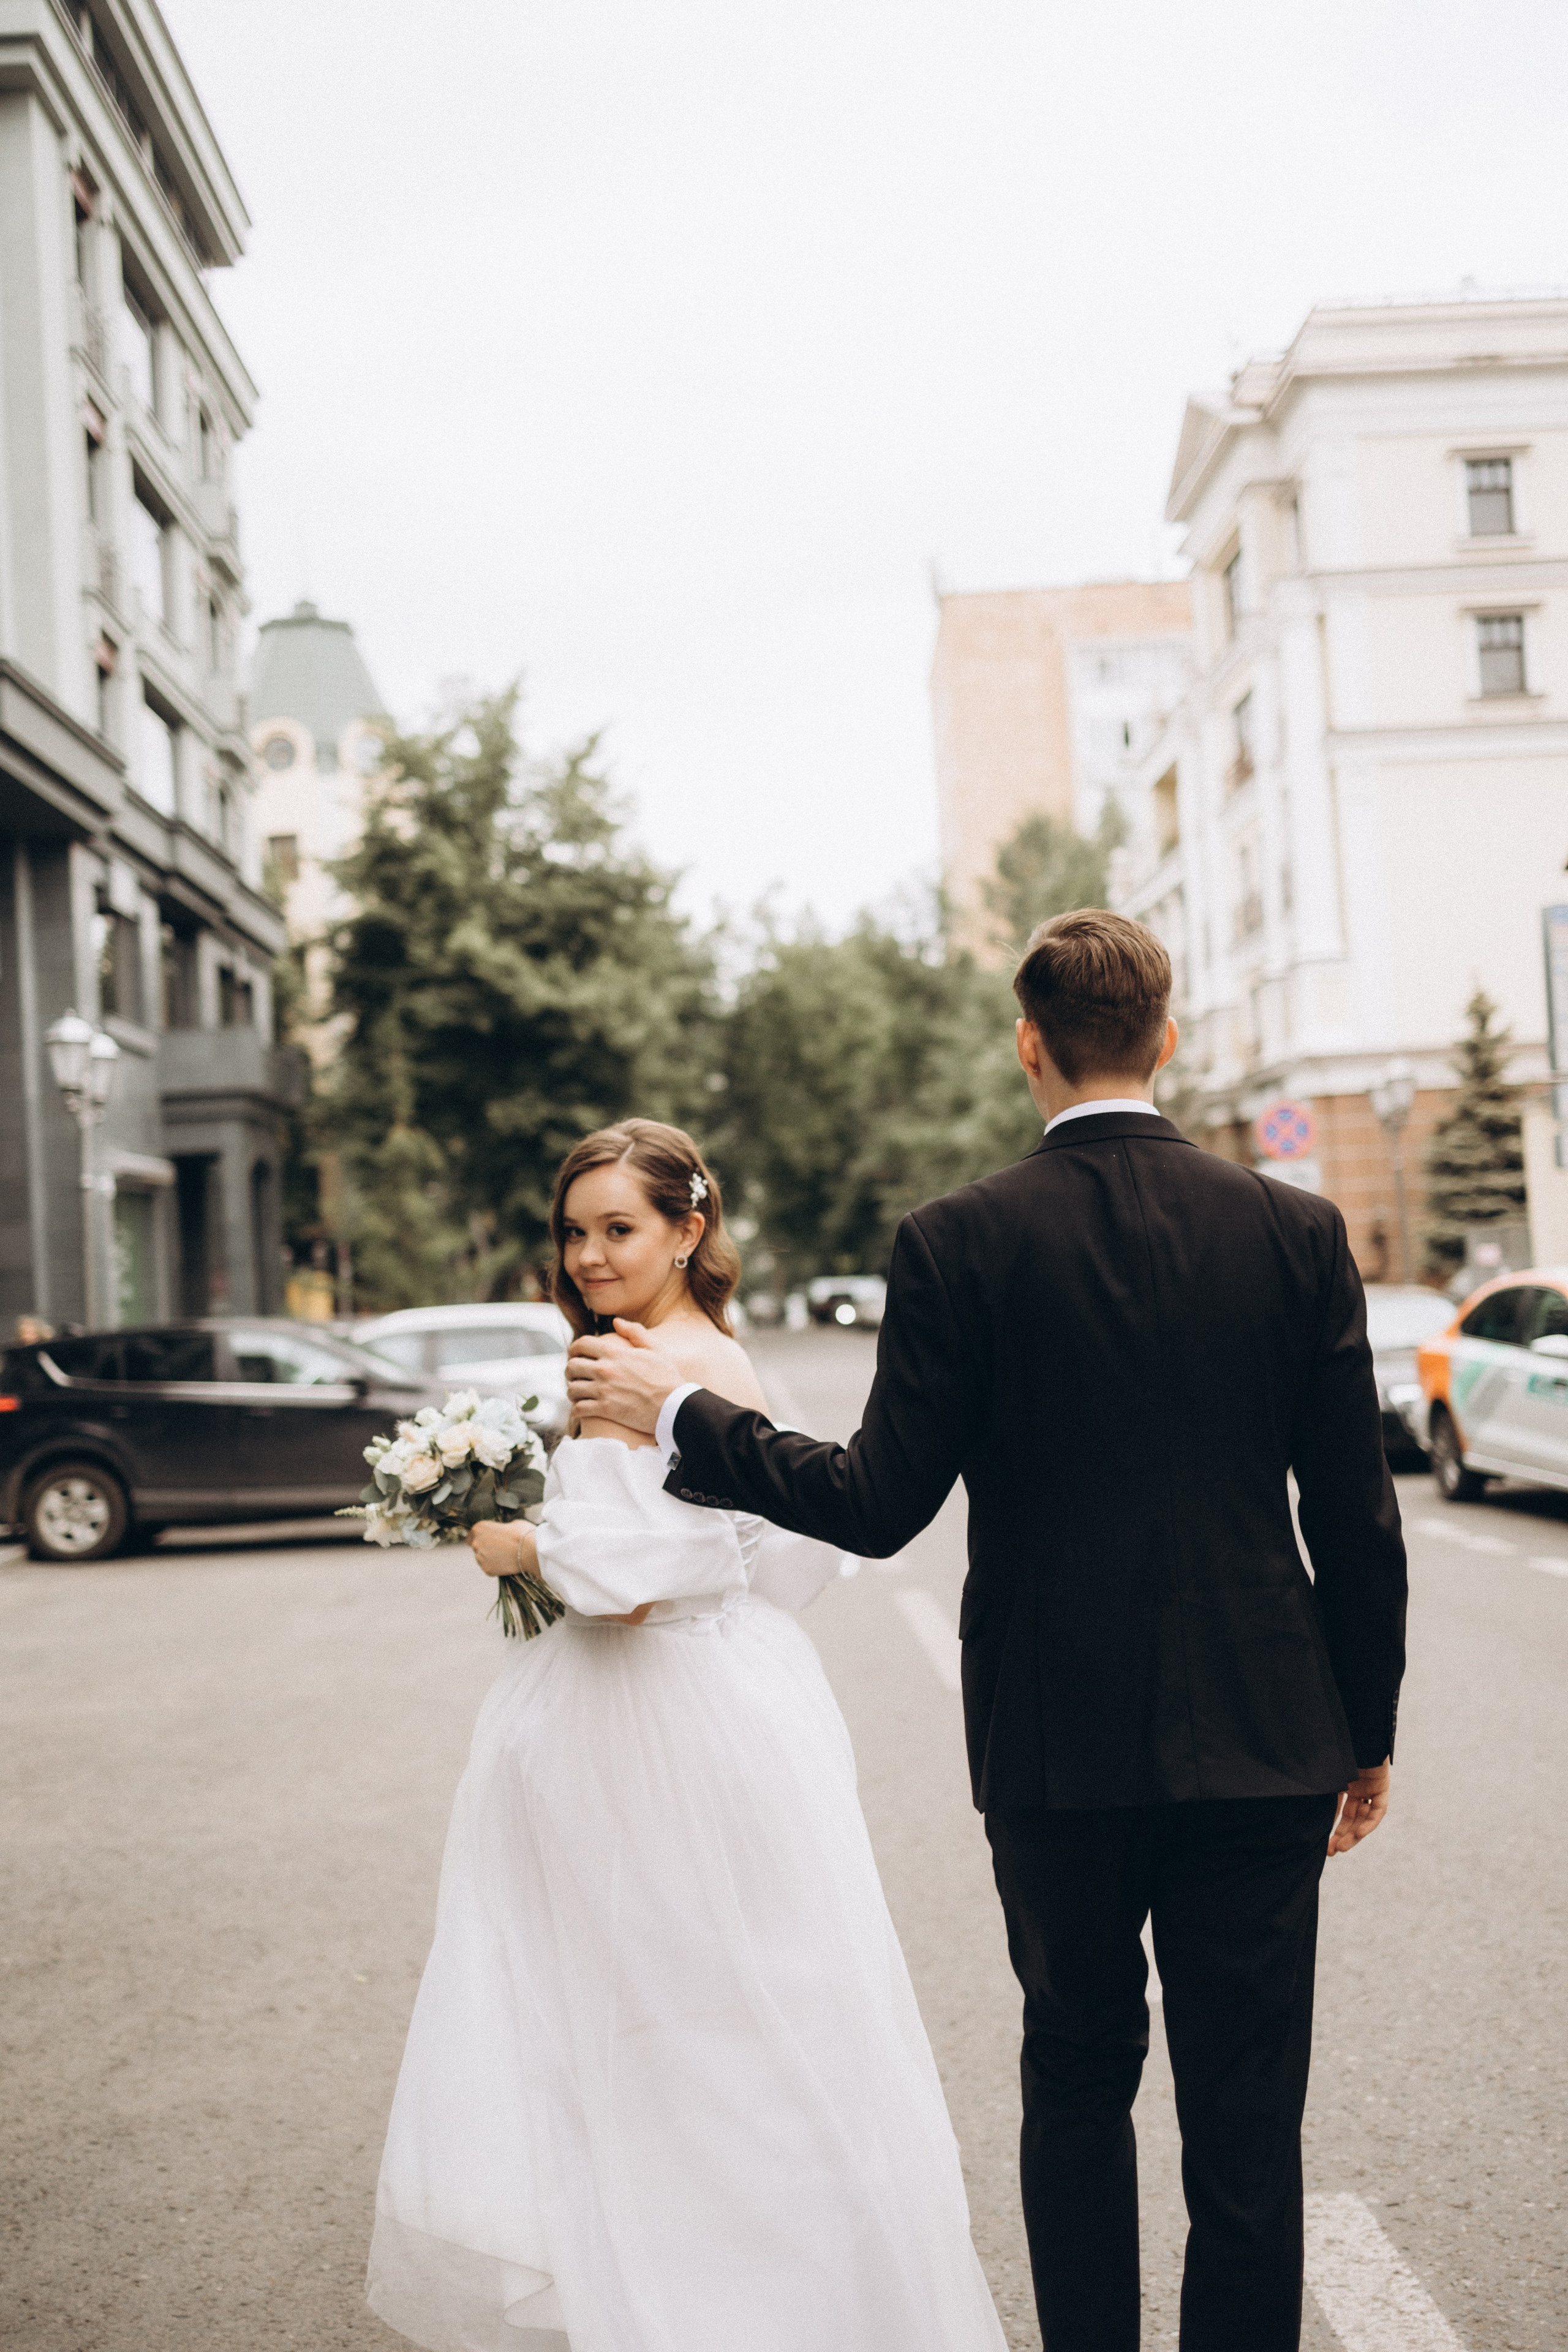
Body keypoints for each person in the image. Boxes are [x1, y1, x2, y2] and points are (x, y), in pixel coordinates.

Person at [568, 913, 1409, 2352]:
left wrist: (687, 1420)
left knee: (1075, 2082)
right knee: (1246, 2121)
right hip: (1268, 1743)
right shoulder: (1293, 1232)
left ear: (1027, 1044)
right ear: (1167, 1037)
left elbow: (875, 1505)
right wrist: (1364, 1735)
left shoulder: (958, 1240)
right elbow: (1357, 1524)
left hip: (1053, 1745)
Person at [367, 1119, 1007, 2352]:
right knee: (749, 2025)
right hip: (740, 1704)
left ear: (686, 1230)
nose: (592, 1256)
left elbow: (639, 1580)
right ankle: (804, 2297)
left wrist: (511, 1545)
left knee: (647, 2032)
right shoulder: (718, 1353)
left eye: (620, 1229)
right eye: (575, 1231)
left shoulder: (627, 1368)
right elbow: (788, 1547)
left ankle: (688, 2306)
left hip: (646, 1721)